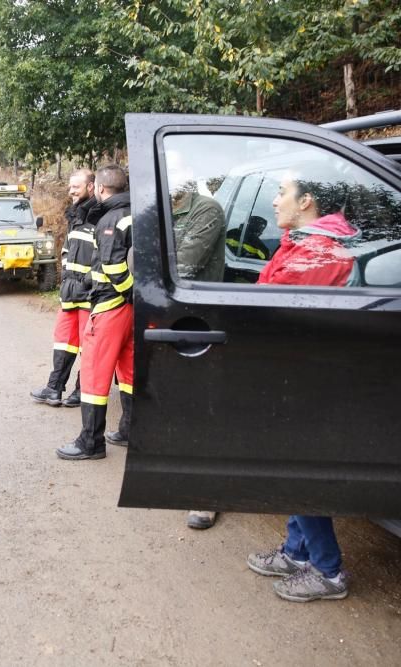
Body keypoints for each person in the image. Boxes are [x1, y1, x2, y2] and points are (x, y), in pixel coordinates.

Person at [246, 162, 359, 602]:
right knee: (292, 459)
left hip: (306, 373)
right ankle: (297, 552)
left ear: (306, 201)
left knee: (299, 464)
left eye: (281, 192)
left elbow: (274, 311)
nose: (274, 200)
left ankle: (328, 571)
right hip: (298, 367)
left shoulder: (321, 252)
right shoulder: (307, 243)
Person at [57, 165, 133, 461]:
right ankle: (129, 429)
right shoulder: (136, 214)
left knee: (93, 374)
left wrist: (126, 291)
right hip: (129, 310)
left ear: (100, 189)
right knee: (128, 372)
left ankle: (91, 442)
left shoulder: (109, 219)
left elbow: (114, 266)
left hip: (111, 305)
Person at [166, 175, 228, 530]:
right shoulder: (158, 210)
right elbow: (132, 256)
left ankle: (207, 494)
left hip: (199, 319)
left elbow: (181, 265)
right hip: (166, 315)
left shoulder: (205, 208)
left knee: (205, 405)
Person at [30, 169, 96, 408]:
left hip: (90, 294)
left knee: (89, 348)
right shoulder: (75, 215)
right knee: (63, 342)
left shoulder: (101, 216)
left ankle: (81, 391)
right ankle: (54, 389)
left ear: (91, 187)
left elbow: (103, 257)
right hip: (70, 292)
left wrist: (87, 283)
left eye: (75, 187)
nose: (70, 191)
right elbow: (68, 252)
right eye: (69, 187)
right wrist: (67, 280)